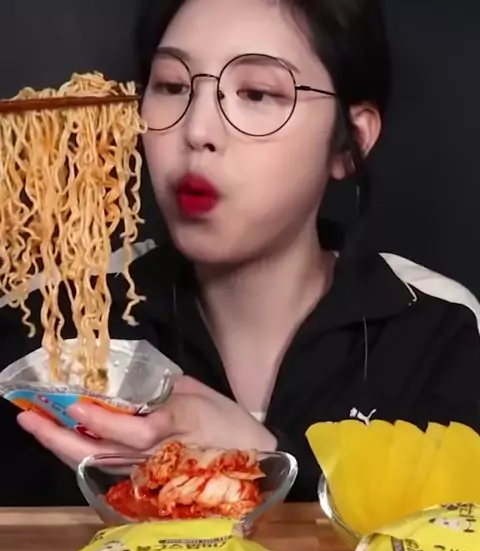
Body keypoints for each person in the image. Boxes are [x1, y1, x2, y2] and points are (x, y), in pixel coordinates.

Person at [2, 0, 480, 505]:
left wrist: (266, 460)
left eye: (256, 93)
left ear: (349, 142)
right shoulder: (57, 324)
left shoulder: (437, 329)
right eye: (172, 86)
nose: (197, 131)